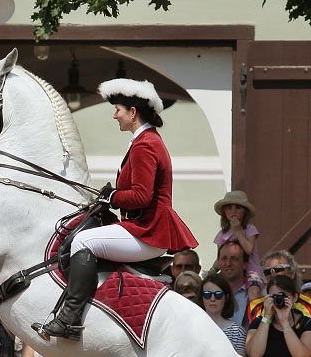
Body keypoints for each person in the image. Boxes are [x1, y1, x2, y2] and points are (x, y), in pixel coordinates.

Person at [36, 77, 197, 340]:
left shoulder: (145, 144)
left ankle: (70, 318)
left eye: (118, 110)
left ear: (133, 113)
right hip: (144, 227)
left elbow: (141, 196)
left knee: (83, 241)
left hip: (148, 230)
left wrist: (112, 197)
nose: (115, 115)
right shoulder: (144, 140)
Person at [212, 190, 264, 302]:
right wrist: (213, 270)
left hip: (251, 272)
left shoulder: (249, 229)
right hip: (230, 272)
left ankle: (254, 316)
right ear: (224, 212)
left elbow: (249, 250)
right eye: (229, 208)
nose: (233, 211)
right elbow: (219, 258)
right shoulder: (222, 234)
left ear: (245, 212)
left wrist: (238, 231)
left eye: (238, 208)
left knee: (253, 292)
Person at [248, 250, 311, 323]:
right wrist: (267, 318)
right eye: (267, 271)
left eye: (278, 269)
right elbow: (254, 334)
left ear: (292, 273)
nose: (273, 274)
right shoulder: (255, 306)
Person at [215, 241, 249, 326]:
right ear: (218, 263)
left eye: (234, 259)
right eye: (224, 258)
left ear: (245, 264)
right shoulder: (209, 294)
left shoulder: (254, 294)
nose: (228, 263)